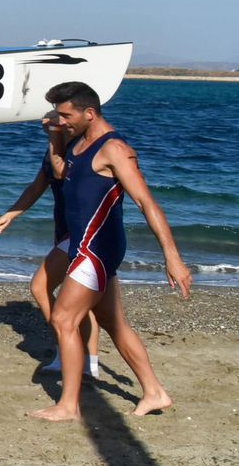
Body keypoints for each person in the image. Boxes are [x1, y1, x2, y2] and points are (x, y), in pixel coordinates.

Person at [26, 81, 192, 421]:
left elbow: (146, 202)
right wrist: (55, 134)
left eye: (66, 115)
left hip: (98, 248)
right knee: (113, 322)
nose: (61, 121)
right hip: (81, 244)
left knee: (63, 318)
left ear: (90, 113)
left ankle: (69, 406)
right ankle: (155, 392)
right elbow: (59, 173)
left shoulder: (114, 149)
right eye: (58, 115)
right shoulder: (77, 143)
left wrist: (172, 257)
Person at [0, 111, 102, 377]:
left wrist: (53, 134)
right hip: (66, 230)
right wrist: (10, 214)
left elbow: (61, 173)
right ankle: (88, 363)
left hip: (83, 232)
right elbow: (37, 186)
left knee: (40, 287)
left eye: (54, 117)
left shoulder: (76, 149)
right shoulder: (54, 150)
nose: (46, 121)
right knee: (84, 303)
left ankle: (70, 355)